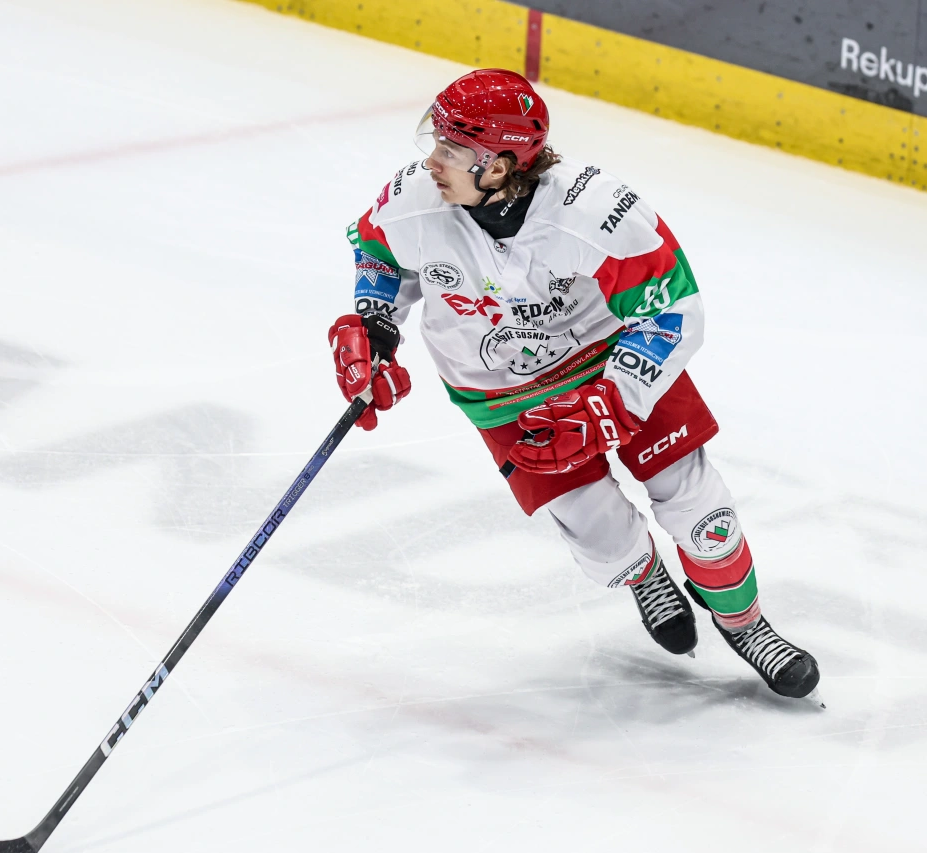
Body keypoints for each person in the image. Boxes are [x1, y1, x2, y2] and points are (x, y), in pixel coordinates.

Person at [328, 69, 821, 699]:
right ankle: (644, 576)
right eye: (437, 142)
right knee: (599, 531)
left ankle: (746, 625)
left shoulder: (596, 213)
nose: (432, 161)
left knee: (696, 505)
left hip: (609, 362)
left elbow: (673, 310)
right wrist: (374, 325)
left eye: (452, 148)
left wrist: (612, 401)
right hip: (497, 387)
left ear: (499, 165)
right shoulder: (414, 201)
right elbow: (378, 254)